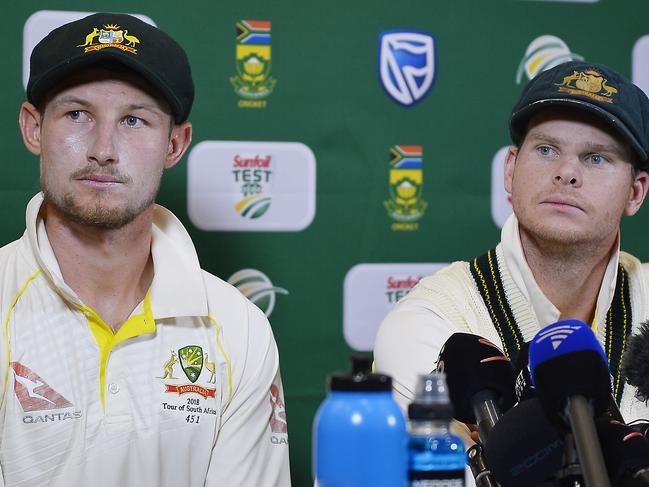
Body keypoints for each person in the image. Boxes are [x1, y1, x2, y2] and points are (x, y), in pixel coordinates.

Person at [0, 13, 290, 487]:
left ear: (176, 143)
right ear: (33, 128)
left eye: (134, 120)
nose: (103, 148)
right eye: (77, 114)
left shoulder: (239, 329)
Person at [374, 61, 649, 427]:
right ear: (510, 169)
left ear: (635, 192)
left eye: (596, 158)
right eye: (547, 150)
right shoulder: (431, 322)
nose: (566, 173)